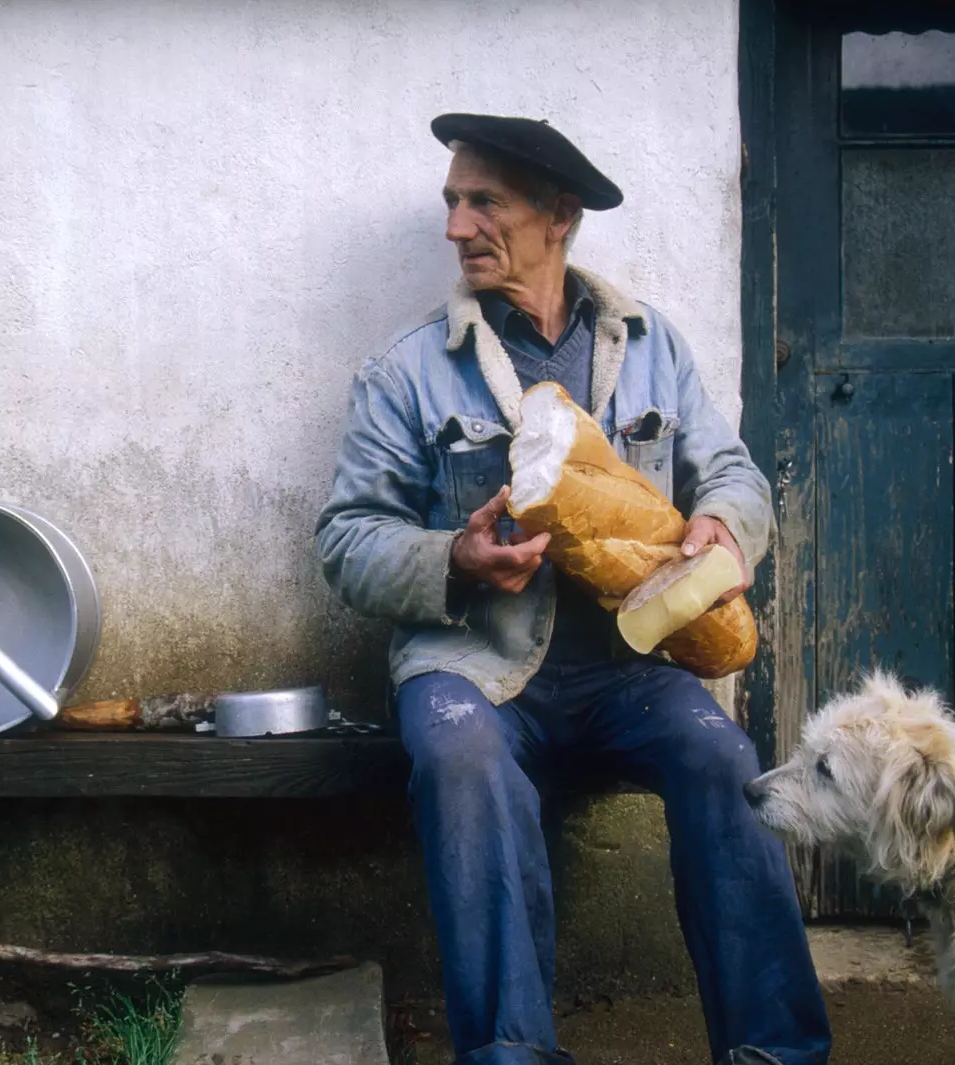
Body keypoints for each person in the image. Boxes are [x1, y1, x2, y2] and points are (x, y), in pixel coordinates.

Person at [314, 113, 831, 1065]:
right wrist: (452, 561)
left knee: (724, 757)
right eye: (452, 203)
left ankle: (776, 1052)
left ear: (560, 216)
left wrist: (722, 524)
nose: (456, 228)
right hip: (476, 665)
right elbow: (346, 541)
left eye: (484, 203)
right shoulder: (407, 371)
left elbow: (733, 472)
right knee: (462, 760)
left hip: (628, 669)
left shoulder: (651, 345)